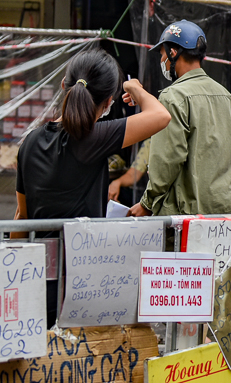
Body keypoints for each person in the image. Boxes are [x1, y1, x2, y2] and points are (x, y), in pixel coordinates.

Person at [16, 47, 169, 323]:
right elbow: (160, 116)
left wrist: (15, 276)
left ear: (64, 85)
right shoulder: (93, 138)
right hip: (82, 287)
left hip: (37, 282)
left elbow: (20, 218)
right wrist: (135, 88)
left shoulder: (30, 142)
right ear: (108, 101)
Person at [130, 20, 231, 217]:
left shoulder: (173, 97)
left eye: (162, 53)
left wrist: (147, 203)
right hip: (226, 216)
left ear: (173, 53)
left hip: (186, 219)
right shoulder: (226, 96)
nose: (162, 59)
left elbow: (166, 161)